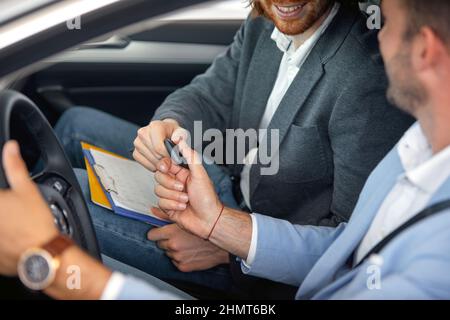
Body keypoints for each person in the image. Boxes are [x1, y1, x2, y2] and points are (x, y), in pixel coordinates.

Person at [1, 0, 449, 300]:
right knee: (77, 123)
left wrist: (225, 247)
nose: (377, 34)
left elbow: (340, 243)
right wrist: (169, 130)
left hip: (255, 266)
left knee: (59, 195)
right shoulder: (264, 23)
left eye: (385, 22)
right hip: (232, 190)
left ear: (425, 49)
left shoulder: (364, 78)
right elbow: (210, 93)